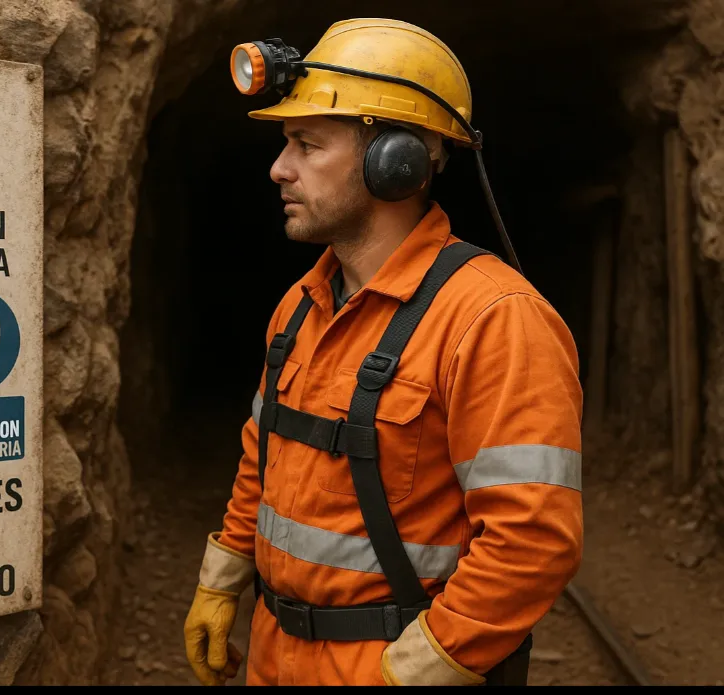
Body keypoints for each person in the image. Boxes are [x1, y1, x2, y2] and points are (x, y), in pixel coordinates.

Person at [183, 18, 583, 686]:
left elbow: (532, 540)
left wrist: (423, 666)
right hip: (275, 653)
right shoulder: (299, 307)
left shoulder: (493, 320)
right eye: (286, 143)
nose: (279, 168)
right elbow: (266, 452)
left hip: (388, 667)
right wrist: (223, 576)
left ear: (395, 162)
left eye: (307, 144)